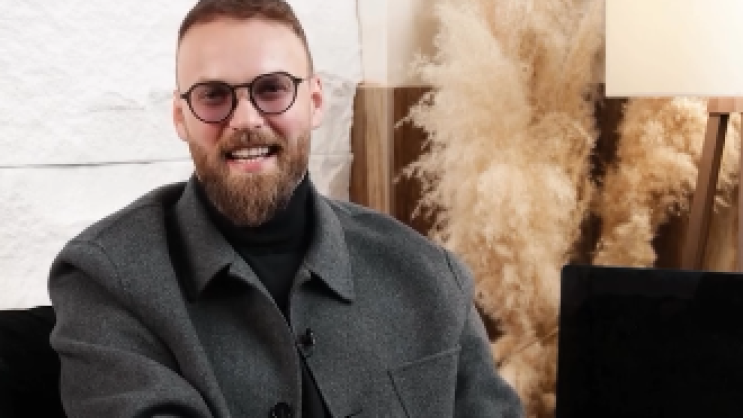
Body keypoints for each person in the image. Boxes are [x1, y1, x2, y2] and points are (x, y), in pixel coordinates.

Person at [48, 0, 524, 417]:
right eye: (213, 96)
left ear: (315, 101)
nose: (246, 120)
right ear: (180, 117)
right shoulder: (104, 279)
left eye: (272, 89)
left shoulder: (431, 276)